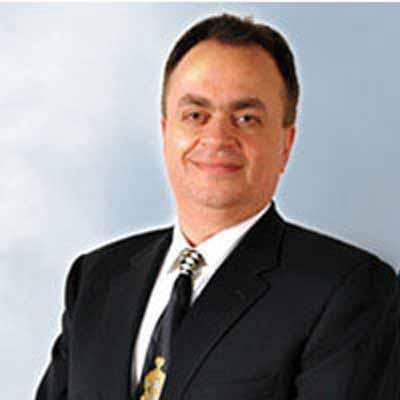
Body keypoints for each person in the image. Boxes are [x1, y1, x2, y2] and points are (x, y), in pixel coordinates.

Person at [35, 13, 399, 400]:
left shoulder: (349, 291)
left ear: (286, 143)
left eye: (246, 118)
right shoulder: (97, 278)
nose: (217, 137)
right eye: (195, 115)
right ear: (166, 132)